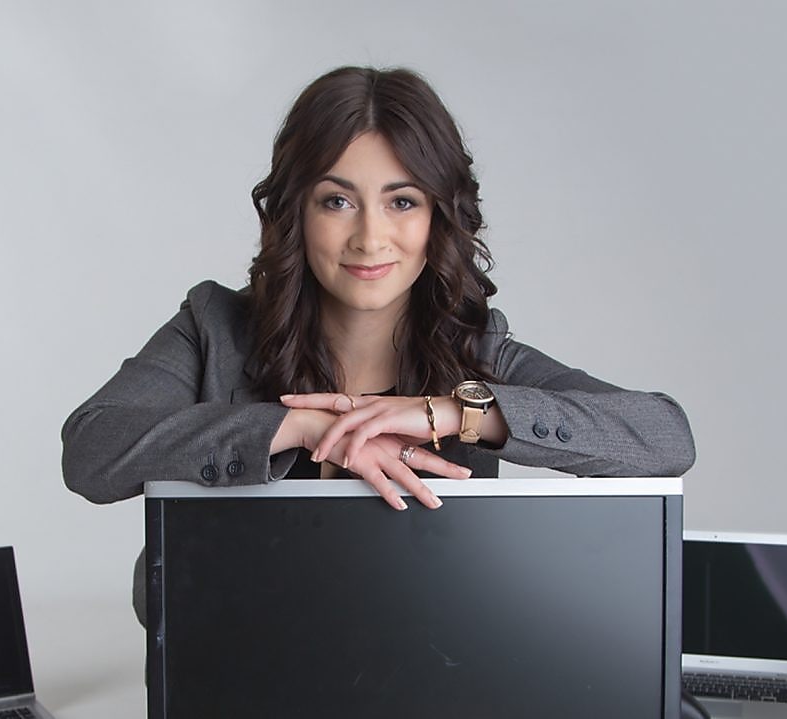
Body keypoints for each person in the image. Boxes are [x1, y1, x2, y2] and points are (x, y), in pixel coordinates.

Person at [61, 66, 696, 624]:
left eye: (402, 201)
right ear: (294, 214)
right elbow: (91, 449)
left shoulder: (478, 351)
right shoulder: (214, 327)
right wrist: (297, 425)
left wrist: (449, 412)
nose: (370, 238)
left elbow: (665, 437)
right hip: (234, 675)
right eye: (337, 200)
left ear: (438, 218)